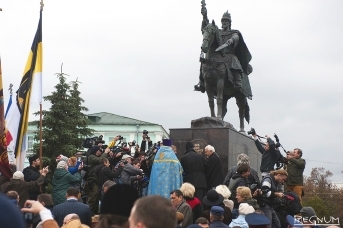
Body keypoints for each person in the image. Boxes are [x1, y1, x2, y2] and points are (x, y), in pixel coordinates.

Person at [194, 5, 252, 96]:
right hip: (218, 54)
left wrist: (232, 39)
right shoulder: (218, 32)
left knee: (233, 59)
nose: (224, 23)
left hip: (228, 55)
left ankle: (238, 80)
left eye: (226, 21)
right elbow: (208, 27)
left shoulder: (233, 32)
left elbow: (236, 37)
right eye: (223, 21)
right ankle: (201, 83)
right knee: (204, 62)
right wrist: (204, 15)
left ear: (229, 23)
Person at [85, 145, 109, 215]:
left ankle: (94, 215)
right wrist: (105, 153)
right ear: (95, 150)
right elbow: (101, 160)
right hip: (92, 181)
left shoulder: (99, 157)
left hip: (98, 181)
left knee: (96, 199)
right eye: (99, 150)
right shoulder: (91, 157)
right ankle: (88, 215)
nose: (100, 152)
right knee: (93, 198)